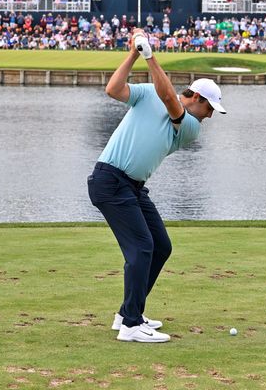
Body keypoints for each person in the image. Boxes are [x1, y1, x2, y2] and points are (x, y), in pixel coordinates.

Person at [88, 28, 226, 343]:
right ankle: (131, 325)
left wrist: (149, 55)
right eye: (209, 109)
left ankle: (127, 312)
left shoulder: (190, 127)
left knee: (160, 246)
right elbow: (113, 89)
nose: (210, 117)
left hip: (132, 187)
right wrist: (134, 54)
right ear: (198, 99)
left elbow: (168, 97)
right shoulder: (150, 93)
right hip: (109, 180)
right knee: (141, 248)